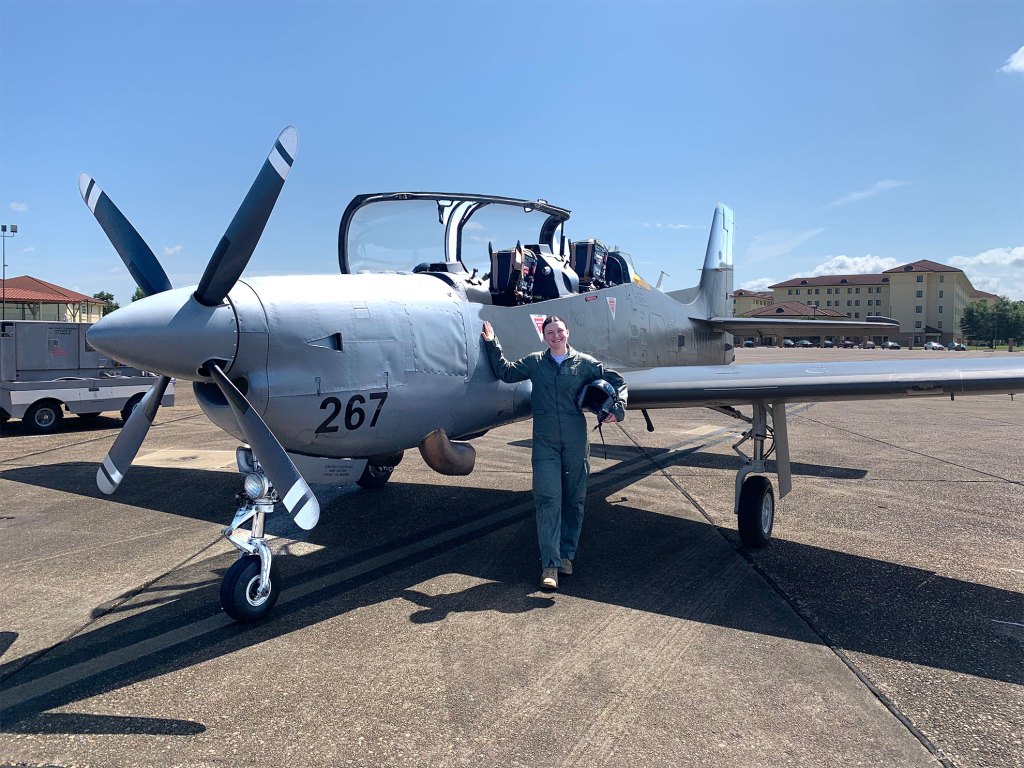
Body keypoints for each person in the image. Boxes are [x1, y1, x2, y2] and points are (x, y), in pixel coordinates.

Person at [481, 315, 627, 590]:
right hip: (545, 442)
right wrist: (492, 344)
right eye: (550, 332)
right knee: (547, 498)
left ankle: (567, 556)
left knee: (574, 499)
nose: (556, 336)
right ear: (544, 337)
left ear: (567, 332)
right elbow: (506, 372)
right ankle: (550, 564)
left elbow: (617, 382)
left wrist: (617, 410)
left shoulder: (584, 363)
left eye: (559, 331)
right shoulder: (535, 362)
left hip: (575, 439)